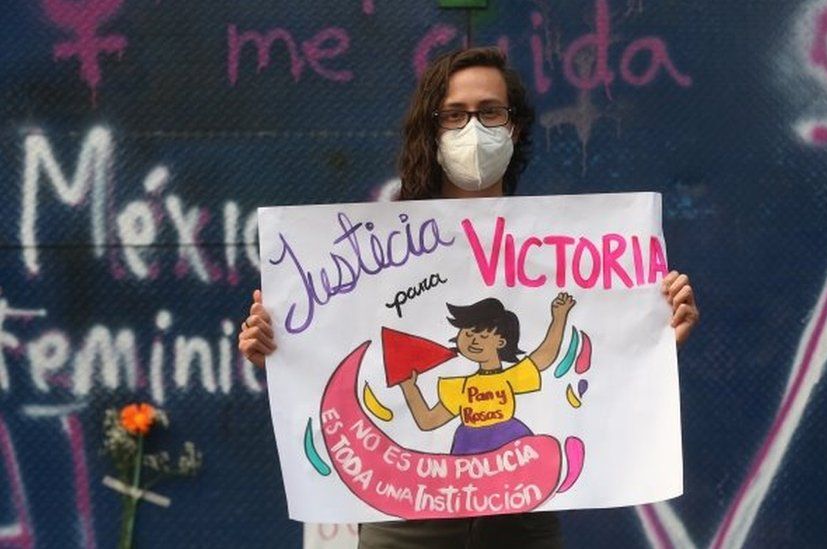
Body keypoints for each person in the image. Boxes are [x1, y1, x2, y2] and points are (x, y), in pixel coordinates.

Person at [238, 47, 699, 549]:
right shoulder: (377, 249)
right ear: (431, 128)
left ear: (515, 126)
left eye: (490, 111)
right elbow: (335, 352)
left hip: (523, 521)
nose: (472, 128)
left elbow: (578, 365)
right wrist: (274, 347)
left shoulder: (558, 249)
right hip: (405, 525)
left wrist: (653, 337)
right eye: (454, 114)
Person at [400, 293, 575, 454]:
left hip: (509, 442)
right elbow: (428, 421)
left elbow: (545, 356)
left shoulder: (509, 378)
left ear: (501, 342)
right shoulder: (460, 388)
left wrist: (559, 318)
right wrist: (409, 387)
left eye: (483, 336)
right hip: (469, 448)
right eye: (468, 334)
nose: (474, 340)